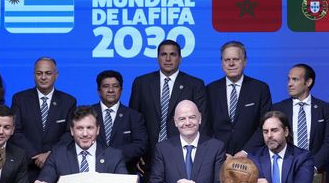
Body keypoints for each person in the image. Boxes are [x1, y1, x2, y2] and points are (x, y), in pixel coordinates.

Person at [129, 40, 207, 175]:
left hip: (184, 155)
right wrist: (136, 153)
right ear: (157, 57)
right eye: (163, 54)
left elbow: (202, 121)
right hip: (148, 157)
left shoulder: (195, 84)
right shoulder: (141, 83)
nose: (168, 59)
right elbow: (134, 120)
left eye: (173, 54)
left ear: (180, 58)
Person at [10, 57, 77, 183]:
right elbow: (16, 131)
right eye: (39, 73)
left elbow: (69, 134)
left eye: (48, 73)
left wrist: (50, 154)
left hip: (57, 167)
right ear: (34, 75)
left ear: (56, 75)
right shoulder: (20, 99)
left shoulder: (68, 101)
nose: (43, 77)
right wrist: (36, 156)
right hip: (26, 167)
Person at [205, 41, 271, 157]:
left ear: (244, 61)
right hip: (218, 156)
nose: (231, 63)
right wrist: (219, 152)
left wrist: (246, 151)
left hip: (252, 156)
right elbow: (206, 126)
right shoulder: (210, 90)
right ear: (222, 62)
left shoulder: (260, 89)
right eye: (227, 60)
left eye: (236, 59)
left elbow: (265, 125)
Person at [272, 63, 329, 173]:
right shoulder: (278, 109)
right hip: (285, 170)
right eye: (288, 79)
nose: (289, 84)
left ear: (308, 82)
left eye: (295, 79)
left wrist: (313, 166)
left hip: (317, 171)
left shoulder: (325, 109)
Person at [91, 70, 148, 175]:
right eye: (106, 86)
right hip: (92, 171)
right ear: (99, 90)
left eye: (115, 86)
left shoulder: (134, 116)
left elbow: (140, 145)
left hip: (124, 171)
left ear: (121, 90)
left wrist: (112, 155)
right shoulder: (88, 113)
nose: (111, 90)